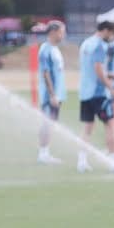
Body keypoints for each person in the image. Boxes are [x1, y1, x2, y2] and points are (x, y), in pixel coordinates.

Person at [77, 20, 114, 174]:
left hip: (85, 93)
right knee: (111, 126)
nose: (111, 37)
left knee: (87, 128)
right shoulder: (99, 45)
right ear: (105, 31)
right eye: (110, 34)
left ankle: (82, 161)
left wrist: (107, 74)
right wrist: (111, 87)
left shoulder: (86, 43)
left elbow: (92, 67)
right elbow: (98, 68)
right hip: (98, 93)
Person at [36, 21, 66, 165]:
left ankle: (46, 152)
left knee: (51, 124)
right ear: (53, 32)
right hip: (49, 96)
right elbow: (45, 73)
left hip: (57, 95)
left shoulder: (55, 49)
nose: (63, 35)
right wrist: (52, 94)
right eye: (61, 31)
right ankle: (43, 154)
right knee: (46, 123)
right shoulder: (45, 49)